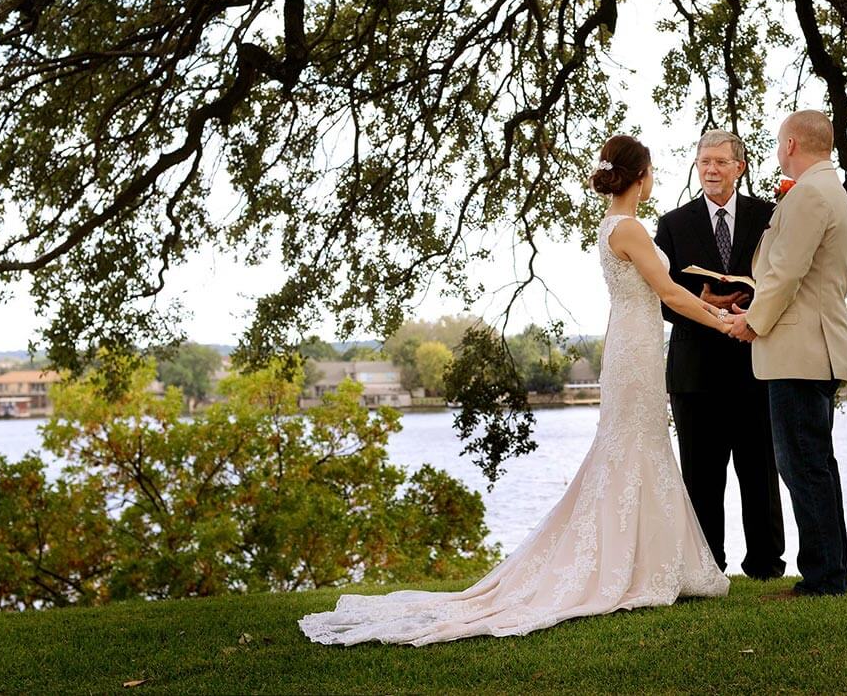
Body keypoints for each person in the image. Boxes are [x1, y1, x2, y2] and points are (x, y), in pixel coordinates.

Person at [299, 134, 733, 646]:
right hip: (634, 351)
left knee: (640, 448)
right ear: (642, 176)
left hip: (632, 346)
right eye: (653, 170)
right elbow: (666, 292)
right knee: (633, 447)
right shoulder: (631, 227)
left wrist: (707, 303)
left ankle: (651, 560)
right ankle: (635, 565)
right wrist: (722, 321)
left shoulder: (612, 225)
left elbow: (665, 288)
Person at [728, 110, 847, 597]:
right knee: (815, 462)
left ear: (792, 144)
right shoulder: (829, 191)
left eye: (780, 142)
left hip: (800, 349)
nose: (777, 150)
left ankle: (824, 578)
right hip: (815, 345)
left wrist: (751, 322)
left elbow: (784, 272)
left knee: (802, 464)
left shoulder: (808, 195)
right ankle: (829, 572)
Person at [654, 130, 785, 580]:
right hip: (696, 373)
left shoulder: (769, 217)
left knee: (761, 474)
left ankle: (767, 566)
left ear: (739, 167)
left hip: (756, 365)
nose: (710, 170)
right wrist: (707, 303)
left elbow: (784, 280)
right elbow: (660, 298)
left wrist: (752, 304)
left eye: (720, 163)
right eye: (703, 162)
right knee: (702, 477)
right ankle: (707, 568)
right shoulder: (673, 224)